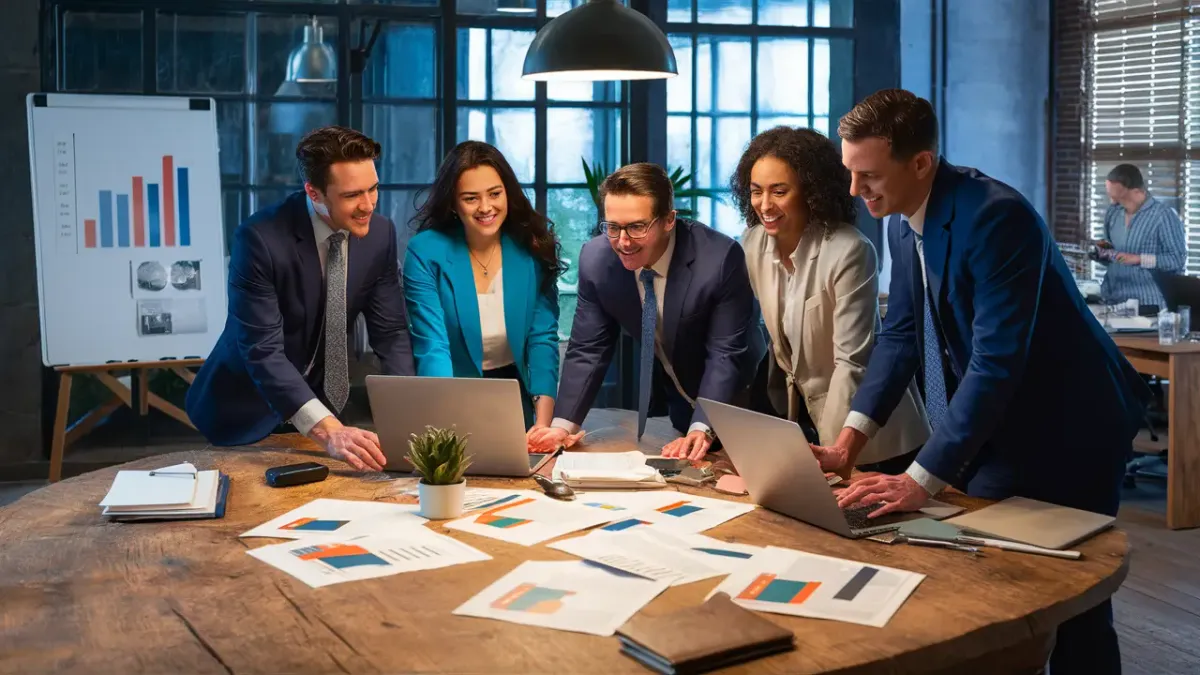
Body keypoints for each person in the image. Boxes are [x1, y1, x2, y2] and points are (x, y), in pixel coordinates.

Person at [810, 89, 1149, 674]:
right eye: (849, 173)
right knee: (991, 579)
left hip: (1070, 422)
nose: (855, 192)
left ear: (921, 163)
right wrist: (848, 444)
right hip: (996, 418)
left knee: (1070, 594)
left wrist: (919, 480)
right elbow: (899, 336)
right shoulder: (899, 217)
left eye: (868, 176)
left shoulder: (996, 215)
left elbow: (996, 361)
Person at [186, 126, 414, 472]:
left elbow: (391, 332)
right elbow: (261, 351)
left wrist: (405, 416)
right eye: (352, 195)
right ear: (314, 192)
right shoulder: (259, 239)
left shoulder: (380, 234)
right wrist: (328, 431)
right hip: (246, 410)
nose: (368, 205)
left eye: (373, 189)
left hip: (325, 408)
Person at [527, 163, 767, 460]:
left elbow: (725, 353)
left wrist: (702, 427)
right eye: (612, 227)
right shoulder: (597, 259)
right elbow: (588, 349)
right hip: (683, 407)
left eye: (637, 227)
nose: (623, 242)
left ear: (668, 220)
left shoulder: (718, 259)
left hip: (746, 401)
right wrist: (561, 427)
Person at [732, 126, 929, 475]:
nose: (764, 204)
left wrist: (836, 451)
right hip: (805, 422)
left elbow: (851, 363)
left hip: (870, 434)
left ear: (811, 191)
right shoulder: (752, 243)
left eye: (779, 191)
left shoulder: (849, 251)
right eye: (756, 191)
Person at [403, 141, 565, 445]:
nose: (486, 207)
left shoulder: (531, 247)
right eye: (470, 198)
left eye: (494, 193)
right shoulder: (425, 251)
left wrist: (541, 428)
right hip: (448, 394)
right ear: (453, 202)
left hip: (514, 399)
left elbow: (542, 339)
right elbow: (432, 345)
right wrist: (445, 429)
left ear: (508, 192)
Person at [1093, 163, 1187, 313]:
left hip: (1148, 304)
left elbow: (1177, 260)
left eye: (1118, 198)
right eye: (1111, 197)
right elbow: (1110, 250)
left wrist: (1138, 259)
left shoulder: (1163, 216)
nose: (1113, 203)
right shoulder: (1113, 212)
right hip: (1112, 300)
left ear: (1136, 191)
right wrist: (1097, 252)